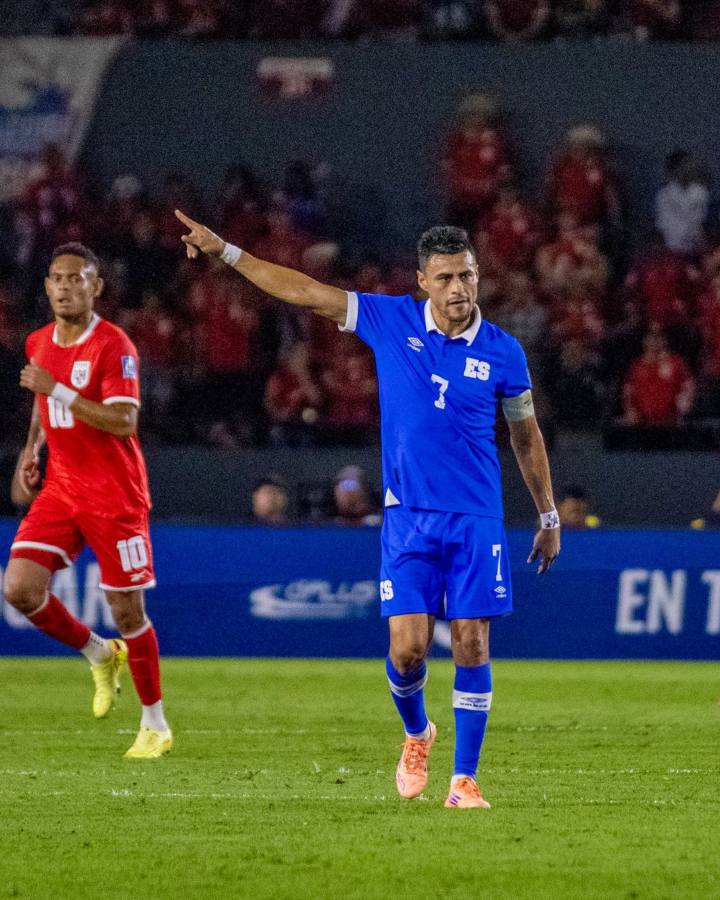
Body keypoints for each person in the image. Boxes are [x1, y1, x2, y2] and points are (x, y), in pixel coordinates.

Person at [175, 212, 561, 809]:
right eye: (445, 278)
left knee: (471, 643)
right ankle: (417, 733)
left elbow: (526, 437)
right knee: (407, 650)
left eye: (467, 275)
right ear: (422, 282)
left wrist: (548, 515)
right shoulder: (390, 319)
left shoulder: (504, 352)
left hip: (476, 517)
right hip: (408, 518)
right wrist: (227, 251)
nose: (458, 288)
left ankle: (464, 780)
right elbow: (304, 290)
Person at [3, 243, 171, 759]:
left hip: (114, 494)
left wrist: (58, 390)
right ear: (46, 286)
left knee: (127, 612)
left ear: (96, 286)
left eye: (76, 278)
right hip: (62, 488)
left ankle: (155, 724)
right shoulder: (38, 342)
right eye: (56, 278)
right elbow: (41, 402)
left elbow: (124, 421)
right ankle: (98, 653)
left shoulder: (114, 345)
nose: (65, 287)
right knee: (19, 589)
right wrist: (31, 451)